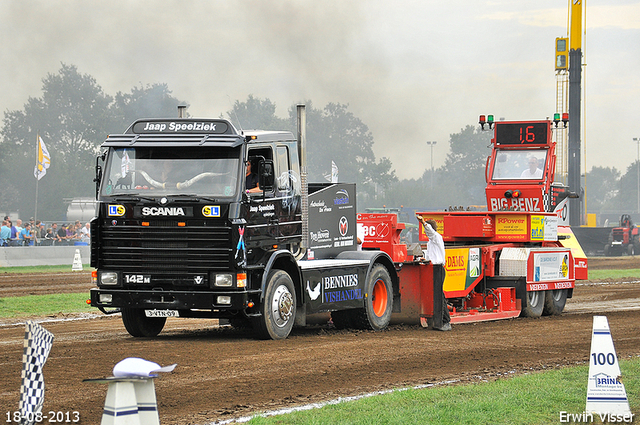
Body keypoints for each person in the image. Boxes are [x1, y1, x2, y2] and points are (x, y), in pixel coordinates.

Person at [416, 215, 451, 331]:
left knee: (438, 295)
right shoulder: (432, 241)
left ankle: (445, 321)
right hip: (433, 268)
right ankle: (439, 320)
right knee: (436, 295)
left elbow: (430, 232)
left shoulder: (436, 237)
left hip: (437, 269)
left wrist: (423, 222)